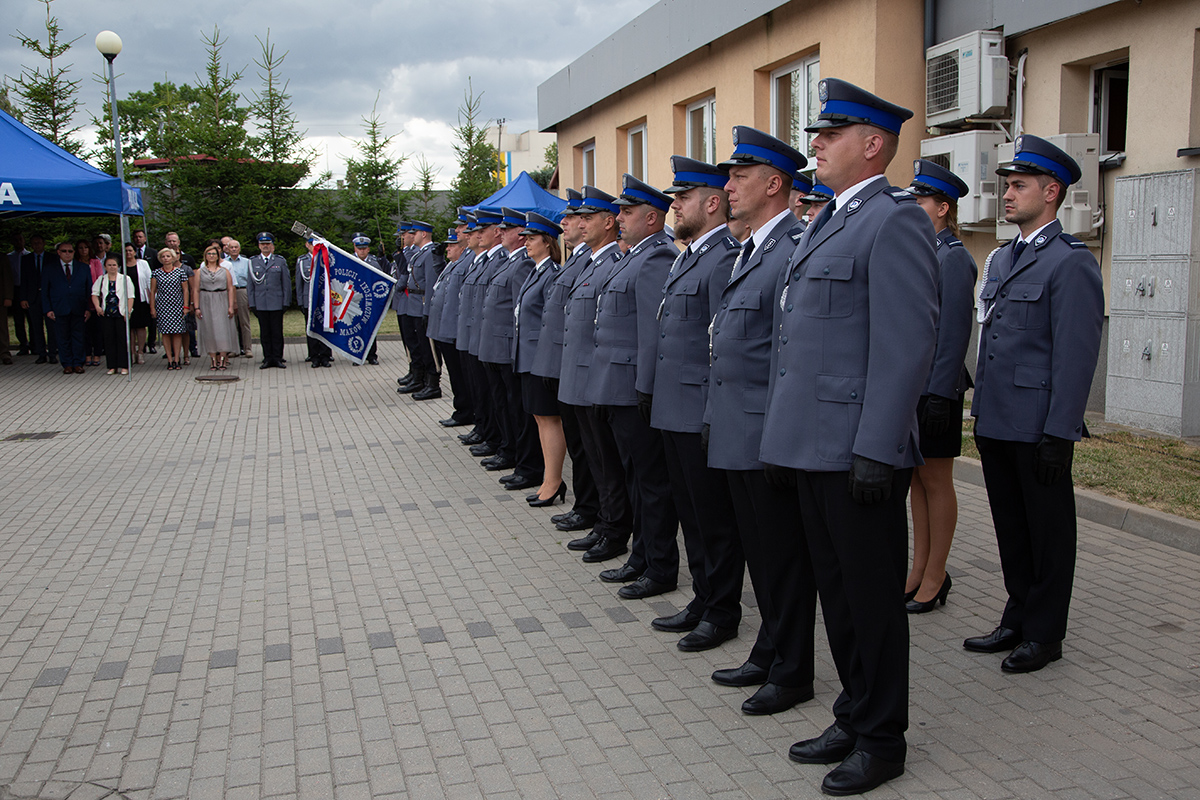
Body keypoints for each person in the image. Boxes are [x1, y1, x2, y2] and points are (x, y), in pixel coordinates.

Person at [762, 78, 939, 796]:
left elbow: (906, 344)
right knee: (836, 595)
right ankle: (854, 713)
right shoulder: (827, 219)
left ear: (872, 145)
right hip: (810, 444)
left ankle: (883, 740)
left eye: (830, 135)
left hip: (856, 449)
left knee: (870, 601)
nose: (816, 145)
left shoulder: (893, 221)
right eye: (817, 134)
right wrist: (781, 440)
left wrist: (878, 446)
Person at [965, 135, 1105, 674]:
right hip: (997, 419)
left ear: (1051, 193)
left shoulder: (1070, 263)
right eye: (1007, 185)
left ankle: (1045, 634)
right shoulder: (1003, 258)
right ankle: (1018, 615)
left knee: (1047, 533)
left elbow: (1075, 355)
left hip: (1038, 425)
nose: (1006, 194)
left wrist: (1060, 432)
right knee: (1011, 529)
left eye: (1018, 185)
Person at [705, 132, 817, 712]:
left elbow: (787, 356)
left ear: (774, 184)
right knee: (760, 554)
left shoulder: (791, 249)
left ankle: (793, 670)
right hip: (737, 426)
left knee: (782, 559)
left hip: (766, 432)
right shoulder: (751, 249)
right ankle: (770, 649)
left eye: (739, 176)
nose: (727, 186)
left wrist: (779, 437)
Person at [643, 155, 747, 654]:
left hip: (700, 409)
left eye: (683, 198)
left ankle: (723, 610)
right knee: (691, 513)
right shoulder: (689, 256)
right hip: (674, 407)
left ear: (711, 203)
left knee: (714, 520)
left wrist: (711, 414)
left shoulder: (723, 257)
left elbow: (720, 345)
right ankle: (704, 598)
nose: (674, 207)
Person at [586, 175, 679, 597]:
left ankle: (659, 567)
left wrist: (646, 388)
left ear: (652, 218)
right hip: (618, 386)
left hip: (633, 389)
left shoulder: (657, 257)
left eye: (627, 212)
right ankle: (641, 557)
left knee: (651, 483)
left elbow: (652, 333)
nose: (619, 218)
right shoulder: (634, 256)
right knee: (635, 477)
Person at [902, 160, 978, 614]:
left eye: (920, 200)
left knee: (936, 479)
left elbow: (953, 334)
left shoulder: (953, 258)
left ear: (943, 207)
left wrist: (940, 393)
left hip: (938, 389)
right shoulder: (925, 252)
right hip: (915, 387)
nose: (913, 205)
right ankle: (919, 569)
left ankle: (936, 575)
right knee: (916, 479)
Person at [558, 187, 635, 562]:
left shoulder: (610, 263)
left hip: (598, 379)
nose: (580, 224)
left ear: (608, 223)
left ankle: (613, 528)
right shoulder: (592, 262)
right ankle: (604, 523)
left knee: (607, 461)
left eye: (588, 218)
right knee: (594, 457)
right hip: (583, 378)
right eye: (580, 218)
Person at [531, 189, 601, 534]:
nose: (569, 224)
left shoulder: (593, 259)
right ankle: (585, 506)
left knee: (588, 449)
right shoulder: (578, 259)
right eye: (572, 217)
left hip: (580, 367)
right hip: (566, 364)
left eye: (576, 218)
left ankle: (590, 509)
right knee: (580, 444)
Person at [514, 212, 568, 505]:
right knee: (539, 417)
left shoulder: (552, 274)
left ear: (547, 242)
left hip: (541, 359)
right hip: (528, 358)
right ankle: (549, 479)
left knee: (548, 419)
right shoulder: (536, 271)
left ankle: (554, 480)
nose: (526, 243)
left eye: (532, 238)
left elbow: (552, 320)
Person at [428, 217, 476, 427]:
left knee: (462, 376)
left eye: (460, 227)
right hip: (446, 328)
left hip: (456, 329)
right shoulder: (456, 262)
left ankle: (465, 411)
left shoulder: (469, 259)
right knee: (456, 375)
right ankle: (463, 410)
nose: (457, 230)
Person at [42, 241, 94, 373]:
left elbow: (89, 290)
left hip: (79, 307)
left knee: (78, 336)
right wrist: (48, 309)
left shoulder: (83, 267)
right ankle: (67, 364)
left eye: (70, 251)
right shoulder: (50, 268)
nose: (67, 254)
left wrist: (88, 308)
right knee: (62, 337)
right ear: (58, 253)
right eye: (64, 251)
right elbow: (45, 291)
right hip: (59, 307)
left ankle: (78, 363)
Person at [405, 221, 443, 399]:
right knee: (419, 345)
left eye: (416, 233)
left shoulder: (429, 254)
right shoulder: (419, 254)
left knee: (429, 348)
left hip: (422, 304)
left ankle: (433, 383)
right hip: (414, 305)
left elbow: (430, 284)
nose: (412, 236)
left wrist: (428, 310)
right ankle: (422, 380)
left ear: (424, 234)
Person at [247, 232, 291, 369]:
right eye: (262, 244)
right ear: (259, 246)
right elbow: (250, 285)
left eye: (267, 244)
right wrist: (252, 303)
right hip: (260, 302)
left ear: (272, 245)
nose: (265, 246)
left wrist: (286, 301)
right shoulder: (253, 262)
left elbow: (286, 284)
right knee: (264, 333)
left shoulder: (280, 261)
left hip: (276, 302)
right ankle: (267, 358)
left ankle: (277, 358)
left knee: (277, 332)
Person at [194, 242, 239, 370]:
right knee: (209, 329)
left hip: (221, 300)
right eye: (209, 254)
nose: (212, 256)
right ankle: (213, 359)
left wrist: (231, 306)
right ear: (205, 256)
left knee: (222, 329)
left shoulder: (225, 271)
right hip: (206, 300)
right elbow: (196, 290)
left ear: (218, 256)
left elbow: (230, 289)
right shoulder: (200, 272)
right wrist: (197, 307)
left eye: (214, 254)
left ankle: (223, 359)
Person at [90, 253, 135, 374]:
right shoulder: (101, 279)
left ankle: (124, 365)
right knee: (109, 339)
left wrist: (128, 311)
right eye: (109, 265)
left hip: (121, 313)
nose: (112, 267)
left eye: (114, 265)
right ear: (105, 266)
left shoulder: (125, 279)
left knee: (122, 339)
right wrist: (97, 307)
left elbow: (130, 296)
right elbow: (94, 294)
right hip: (107, 314)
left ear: (118, 266)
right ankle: (112, 366)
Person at [150, 247, 191, 370]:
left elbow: (185, 290)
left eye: (168, 256)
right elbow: (152, 291)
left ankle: (177, 359)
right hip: (162, 306)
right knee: (165, 333)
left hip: (177, 305)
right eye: (163, 256)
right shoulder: (156, 273)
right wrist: (152, 307)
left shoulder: (180, 272)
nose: (166, 258)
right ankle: (169, 359)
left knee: (178, 332)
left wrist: (186, 306)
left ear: (173, 258)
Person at [295, 239, 332, 368]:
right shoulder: (302, 261)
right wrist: (300, 301)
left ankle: (325, 356)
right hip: (309, 300)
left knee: (325, 327)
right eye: (312, 244)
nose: (314, 246)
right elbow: (299, 283)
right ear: (307, 245)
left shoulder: (326, 258)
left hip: (324, 299)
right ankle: (314, 356)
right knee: (311, 328)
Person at [21, 235, 56, 364]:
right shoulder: (26, 259)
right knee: (36, 326)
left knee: (51, 327)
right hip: (33, 297)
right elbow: (23, 279)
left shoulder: (52, 258)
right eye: (34, 243)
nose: (37, 245)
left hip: (49, 296)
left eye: (39, 242)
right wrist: (23, 298)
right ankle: (41, 353)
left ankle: (52, 353)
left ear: (44, 243)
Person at [223, 239, 253, 357]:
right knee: (231, 322)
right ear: (227, 249)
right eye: (231, 247)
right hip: (228, 292)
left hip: (242, 291)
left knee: (244, 321)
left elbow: (251, 280)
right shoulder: (224, 263)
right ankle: (233, 349)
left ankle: (247, 348)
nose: (234, 249)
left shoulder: (247, 262)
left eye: (236, 247)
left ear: (239, 249)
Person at [77, 239, 104, 367]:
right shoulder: (76, 263)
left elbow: (100, 279)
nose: (83, 250)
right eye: (81, 248)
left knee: (97, 329)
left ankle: (97, 354)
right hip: (81, 299)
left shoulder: (95, 262)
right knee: (85, 329)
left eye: (86, 247)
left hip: (95, 298)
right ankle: (87, 354)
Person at [124, 243, 152, 364]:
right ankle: (132, 352)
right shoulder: (121, 266)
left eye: (130, 250)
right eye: (126, 251)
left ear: (135, 252)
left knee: (141, 327)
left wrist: (152, 300)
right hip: (127, 300)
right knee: (130, 327)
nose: (128, 253)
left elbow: (149, 280)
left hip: (141, 299)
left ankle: (140, 351)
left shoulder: (142, 264)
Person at [133, 229, 159, 354]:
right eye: (136, 237)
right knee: (138, 323)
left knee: (152, 320)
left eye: (140, 236)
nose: (138, 239)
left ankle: (152, 343)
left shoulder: (153, 253)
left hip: (150, 288)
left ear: (145, 238)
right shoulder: (130, 252)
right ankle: (140, 346)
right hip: (137, 292)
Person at [7, 233, 29, 356]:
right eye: (16, 240)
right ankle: (23, 344)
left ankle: (35, 344)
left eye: (20, 239)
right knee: (18, 320)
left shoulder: (29, 256)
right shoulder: (9, 257)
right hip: (16, 289)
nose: (18, 242)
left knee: (32, 319)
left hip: (28, 289)